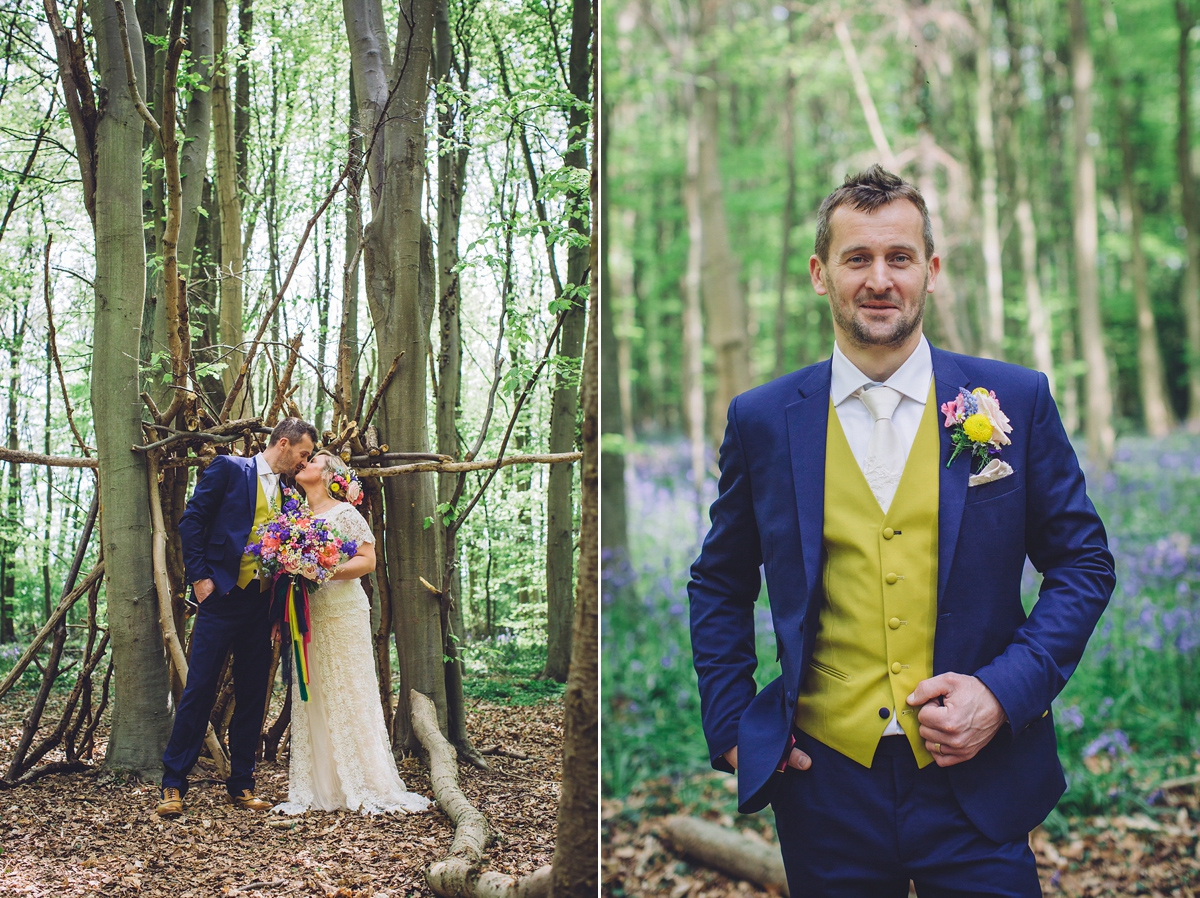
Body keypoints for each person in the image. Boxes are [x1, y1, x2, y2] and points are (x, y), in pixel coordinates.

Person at [688, 165, 1115, 896]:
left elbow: (1083, 564)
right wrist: (731, 724)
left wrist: (1003, 693)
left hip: (976, 776)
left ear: (931, 271)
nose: (879, 279)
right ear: (822, 275)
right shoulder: (762, 420)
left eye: (899, 257)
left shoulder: (1012, 398)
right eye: (858, 258)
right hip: (824, 785)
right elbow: (720, 580)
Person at [158, 417, 317, 817]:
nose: (304, 462)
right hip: (222, 597)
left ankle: (242, 784)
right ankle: (173, 785)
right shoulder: (230, 468)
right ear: (283, 443)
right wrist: (199, 578)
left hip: (261, 607)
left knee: (252, 694)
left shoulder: (287, 491)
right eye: (303, 454)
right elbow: (191, 520)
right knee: (199, 689)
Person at [271, 450, 431, 815]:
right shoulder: (295, 516)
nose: (304, 464)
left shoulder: (345, 514)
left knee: (349, 689)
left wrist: (323, 571)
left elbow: (367, 561)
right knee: (314, 691)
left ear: (328, 475)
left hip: (343, 611)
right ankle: (320, 785)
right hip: (308, 613)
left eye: (312, 461)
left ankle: (366, 781)